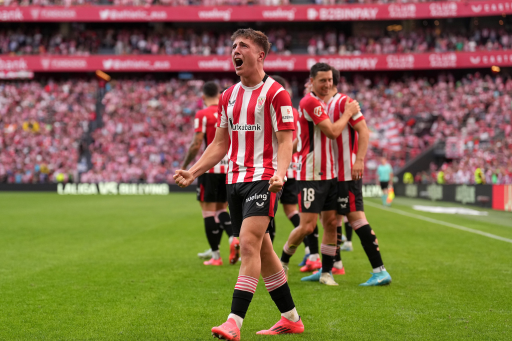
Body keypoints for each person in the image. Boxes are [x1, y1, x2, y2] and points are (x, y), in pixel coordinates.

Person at [174, 28, 304, 340]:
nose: (236, 50)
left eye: (243, 45)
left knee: (247, 243)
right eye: (233, 45)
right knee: (265, 251)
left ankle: (234, 321)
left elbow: (287, 141)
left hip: (264, 179)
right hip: (234, 181)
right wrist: (193, 171)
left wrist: (281, 172)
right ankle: (291, 318)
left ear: (260, 55)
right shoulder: (227, 96)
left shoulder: (276, 93)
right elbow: (220, 144)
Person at [279, 62, 360, 286]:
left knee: (332, 223)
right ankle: (283, 261)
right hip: (312, 175)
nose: (327, 84)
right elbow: (333, 132)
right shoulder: (310, 101)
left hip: (331, 173)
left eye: (330, 80)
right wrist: (349, 113)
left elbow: (301, 139)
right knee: (308, 226)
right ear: (311, 81)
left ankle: (326, 272)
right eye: (322, 80)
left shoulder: (320, 103)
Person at [323, 68, 392, 286]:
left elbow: (364, 131)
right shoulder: (326, 104)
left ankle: (380, 270)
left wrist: (359, 160)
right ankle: (330, 268)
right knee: (331, 221)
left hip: (346, 174)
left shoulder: (344, 102)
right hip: (333, 175)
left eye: (326, 80)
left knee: (356, 219)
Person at [182, 81, 239, 266]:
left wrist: (187, 165)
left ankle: (216, 256)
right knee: (222, 209)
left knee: (208, 212)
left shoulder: (202, 114)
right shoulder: (229, 111)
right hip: (228, 167)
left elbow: (197, 143)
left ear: (203, 97)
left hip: (210, 167)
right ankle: (233, 239)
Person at [269, 75, 311, 261]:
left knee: (267, 214)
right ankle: (311, 251)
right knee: (292, 211)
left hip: (276, 168)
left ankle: (266, 256)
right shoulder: (296, 111)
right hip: (293, 168)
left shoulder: (273, 107)